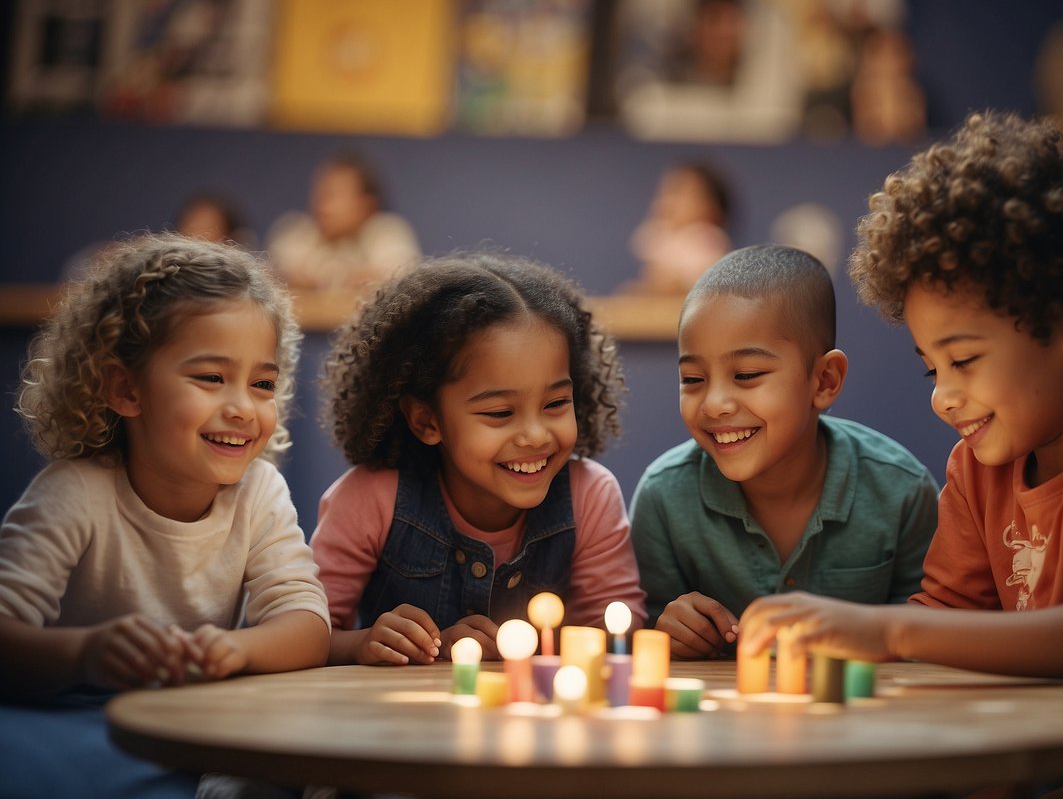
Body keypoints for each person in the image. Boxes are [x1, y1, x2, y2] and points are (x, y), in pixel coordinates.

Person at [741, 112, 1063, 795]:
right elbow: (949, 630)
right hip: (1042, 759)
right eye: (931, 368)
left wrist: (892, 631)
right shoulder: (977, 467)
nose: (943, 396)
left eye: (962, 360)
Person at [0, 233, 331, 797]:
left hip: (196, 723)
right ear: (125, 389)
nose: (242, 407)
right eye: (210, 377)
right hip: (75, 720)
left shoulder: (260, 492)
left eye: (263, 384)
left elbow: (307, 625)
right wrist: (86, 653)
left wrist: (237, 649)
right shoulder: (74, 493)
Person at [310, 251, 646, 665]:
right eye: (500, 413)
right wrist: (363, 643)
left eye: (556, 403)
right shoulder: (369, 500)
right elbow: (303, 633)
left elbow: (619, 635)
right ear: (426, 419)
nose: (536, 435)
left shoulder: (590, 496)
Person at [630, 244, 939, 660]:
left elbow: (930, 636)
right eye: (693, 378)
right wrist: (667, 630)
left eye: (747, 375)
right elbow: (645, 633)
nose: (715, 403)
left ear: (824, 380)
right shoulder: (663, 498)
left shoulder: (901, 490)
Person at [266, 149, 421, 290]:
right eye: (319, 194)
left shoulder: (388, 229)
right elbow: (277, 274)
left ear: (367, 204)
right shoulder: (295, 230)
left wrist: (325, 275)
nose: (321, 205)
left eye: (332, 195)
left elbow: (400, 276)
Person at [625, 159, 733, 296]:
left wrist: (672, 285)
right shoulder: (662, 236)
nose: (668, 202)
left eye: (678, 193)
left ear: (712, 209)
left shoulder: (707, 240)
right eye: (665, 193)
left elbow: (701, 285)